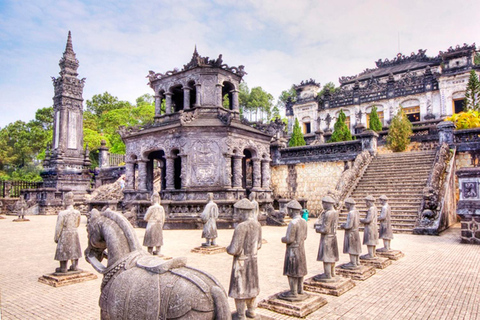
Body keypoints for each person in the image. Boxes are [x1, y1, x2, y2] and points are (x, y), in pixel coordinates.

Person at [227, 198, 262, 320]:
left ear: (243, 211)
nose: (238, 214)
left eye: (239, 212)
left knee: (240, 289)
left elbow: (234, 249)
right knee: (252, 285)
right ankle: (252, 311)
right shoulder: (257, 225)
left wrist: (228, 248)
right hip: (253, 260)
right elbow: (259, 244)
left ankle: (241, 315)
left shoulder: (241, 227)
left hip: (241, 262)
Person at [279, 200, 308, 301]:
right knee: (300, 270)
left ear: (292, 210)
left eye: (288, 210)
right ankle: (300, 290)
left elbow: (289, 239)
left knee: (292, 271)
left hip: (293, 251)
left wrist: (282, 239)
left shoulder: (293, 223)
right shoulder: (304, 221)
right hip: (301, 249)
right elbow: (305, 236)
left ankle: (293, 292)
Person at [54, 192, 82, 273]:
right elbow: (77, 224)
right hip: (74, 232)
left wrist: (56, 237)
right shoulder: (77, 212)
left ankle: (63, 267)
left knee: (64, 250)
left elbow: (58, 227)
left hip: (65, 233)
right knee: (75, 249)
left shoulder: (62, 213)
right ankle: (75, 265)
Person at [314, 196, 339, 281]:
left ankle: (327, 274)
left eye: (323, 203)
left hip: (327, 237)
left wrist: (317, 229)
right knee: (332, 256)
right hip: (333, 237)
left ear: (327, 204)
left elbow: (325, 229)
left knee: (326, 257)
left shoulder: (328, 213)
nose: (322, 205)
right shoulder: (335, 212)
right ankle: (332, 273)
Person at [340, 198, 362, 269]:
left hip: (351, 232)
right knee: (356, 247)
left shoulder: (351, 213)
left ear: (349, 204)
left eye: (346, 205)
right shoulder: (356, 211)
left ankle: (353, 263)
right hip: (356, 231)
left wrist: (343, 226)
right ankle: (357, 261)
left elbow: (349, 225)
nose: (346, 206)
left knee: (352, 248)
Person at [360, 195, 379, 259]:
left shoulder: (371, 209)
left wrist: (361, 220)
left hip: (370, 227)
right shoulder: (374, 208)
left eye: (366, 202)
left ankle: (370, 254)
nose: (366, 203)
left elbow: (368, 220)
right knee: (372, 240)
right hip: (373, 226)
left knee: (370, 241)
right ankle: (373, 253)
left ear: (369, 202)